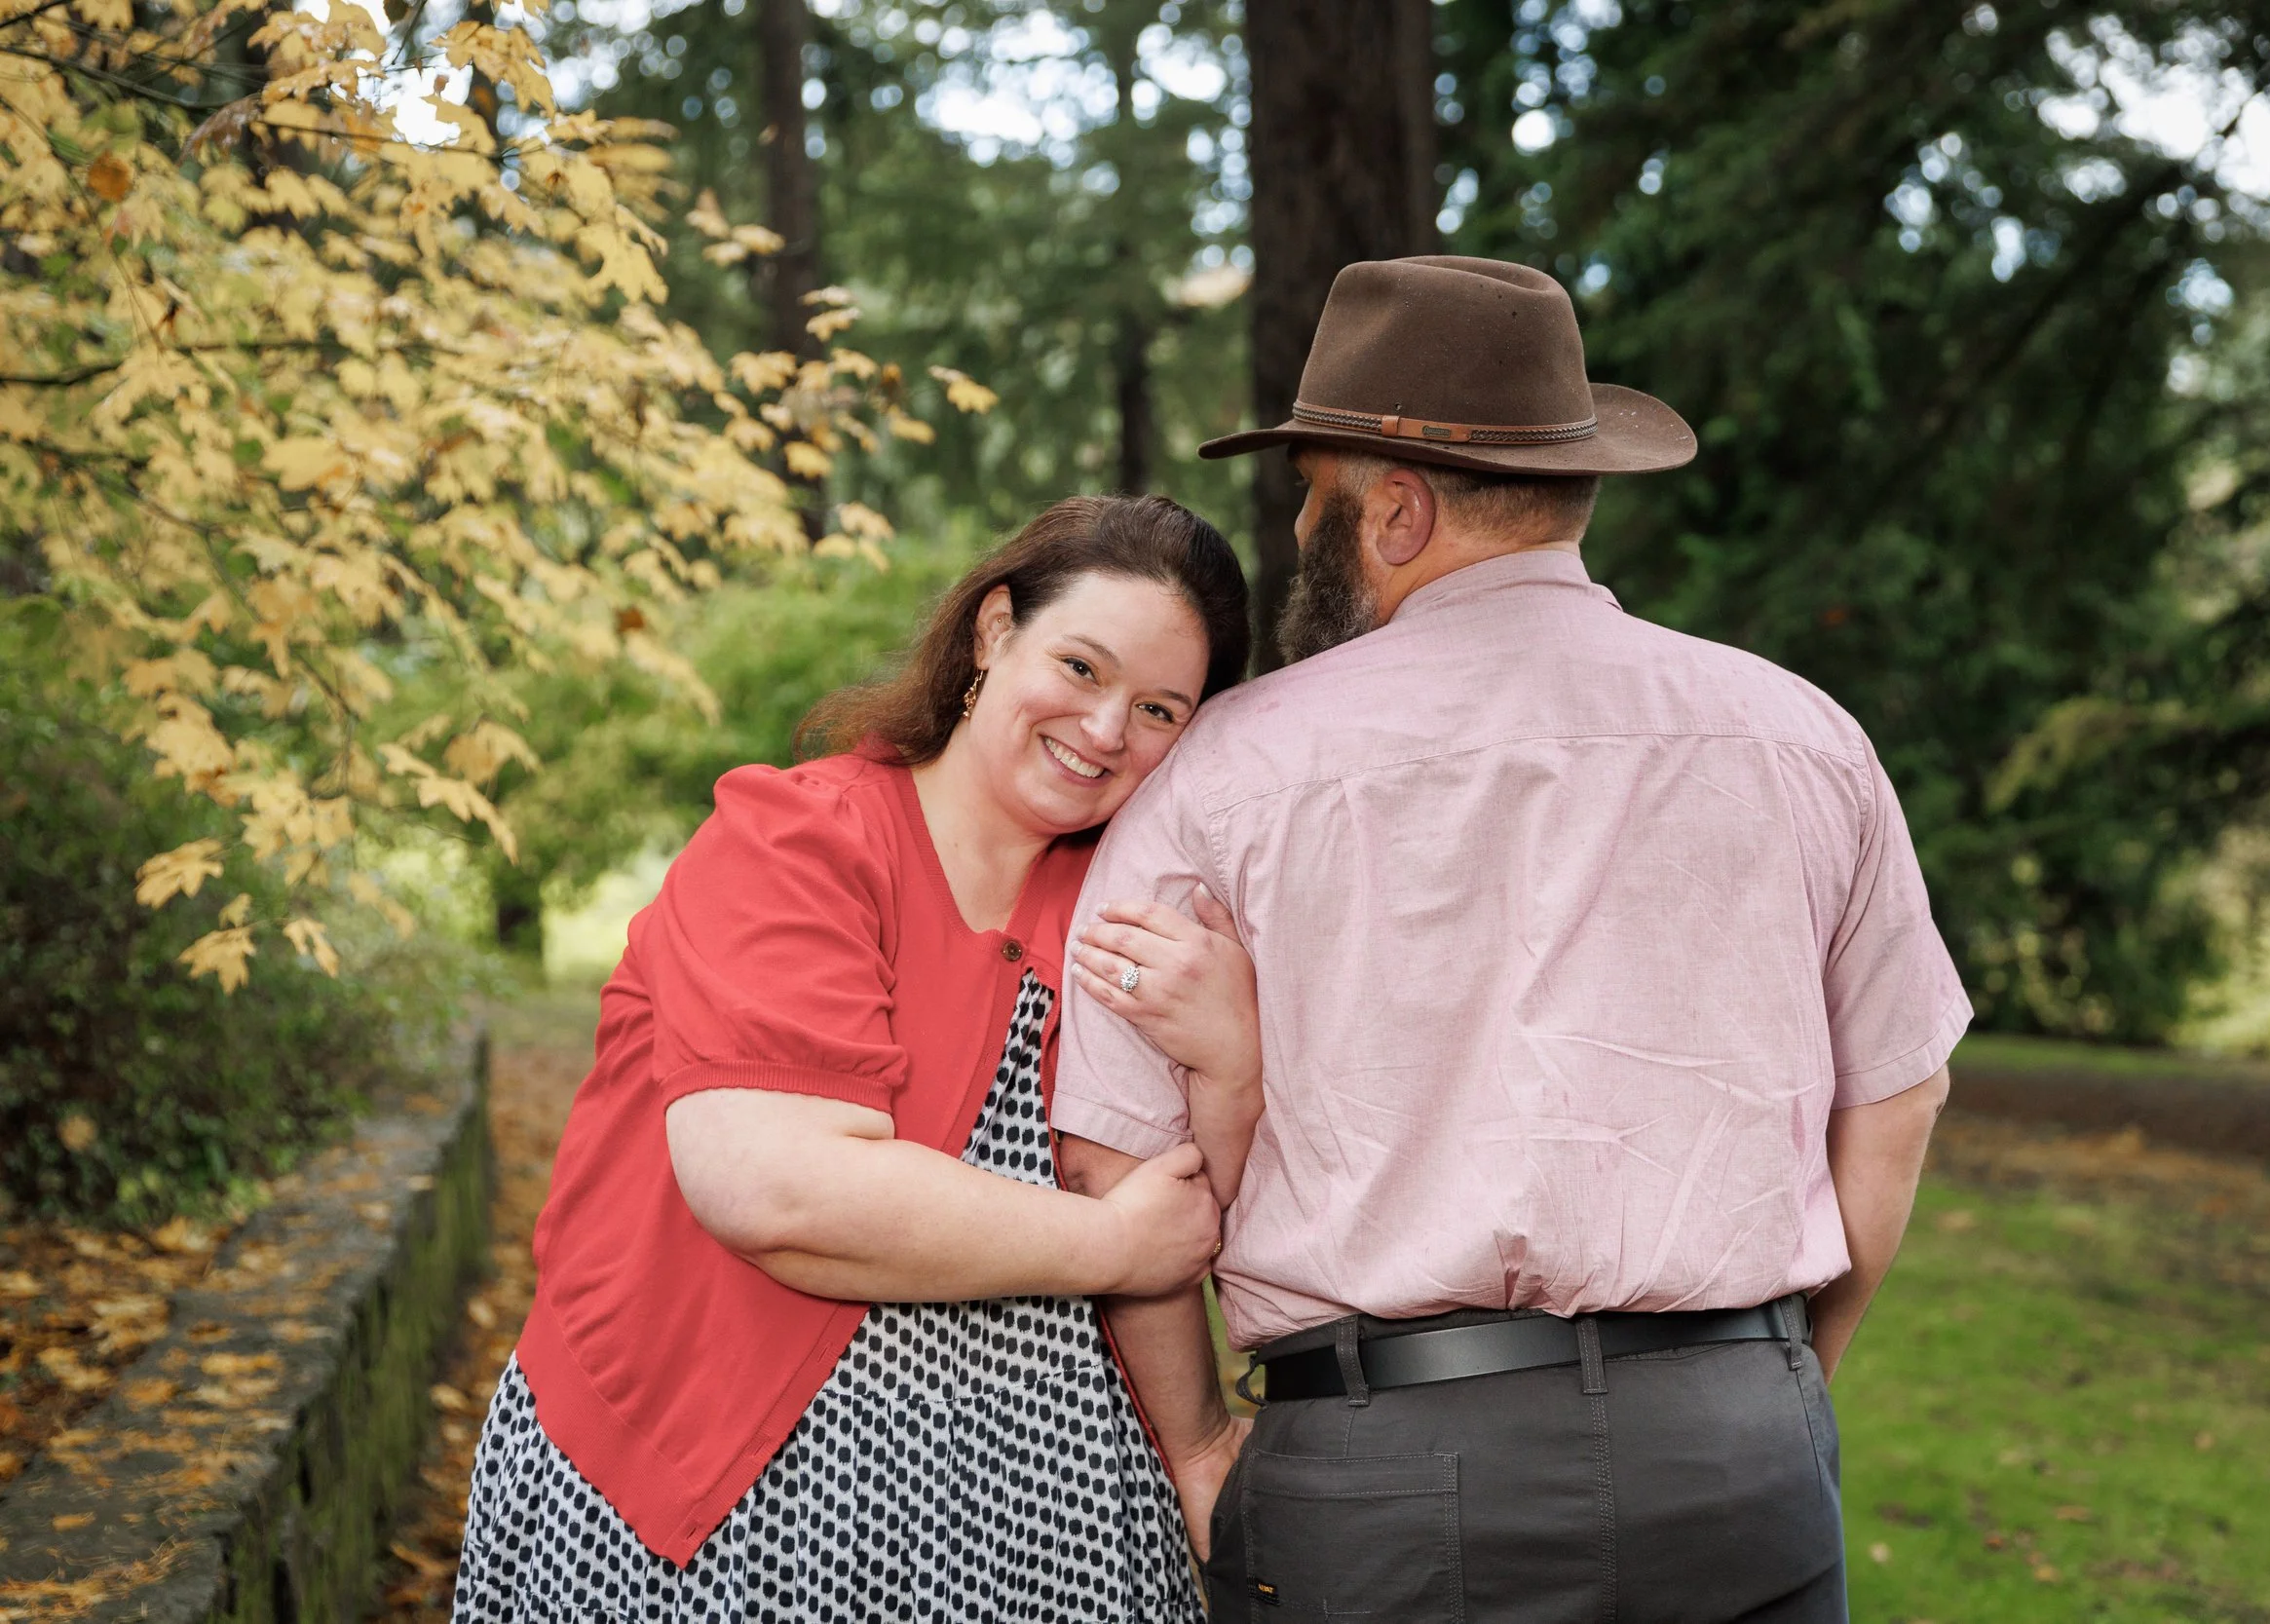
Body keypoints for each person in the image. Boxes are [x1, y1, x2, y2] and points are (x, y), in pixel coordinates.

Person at [1053, 256, 1973, 1623]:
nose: (1307, 526)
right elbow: (1899, 1099)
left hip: (1382, 1482)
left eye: (1318, 495)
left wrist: (1196, 1445)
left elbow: (1111, 1156)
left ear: (1401, 508)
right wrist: (1778, 1380)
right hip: (1738, 1454)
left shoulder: (1227, 772)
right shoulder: (1801, 736)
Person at [450, 495, 1260, 1623]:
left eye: (1160, 707)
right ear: (992, 633)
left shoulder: (1128, 911)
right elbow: (777, 1187)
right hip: (717, 1509)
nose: (1107, 727)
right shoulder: (795, 843)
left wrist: (1229, 1052)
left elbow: (1191, 1207)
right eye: (1081, 665)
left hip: (1038, 1523)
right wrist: (1106, 1244)